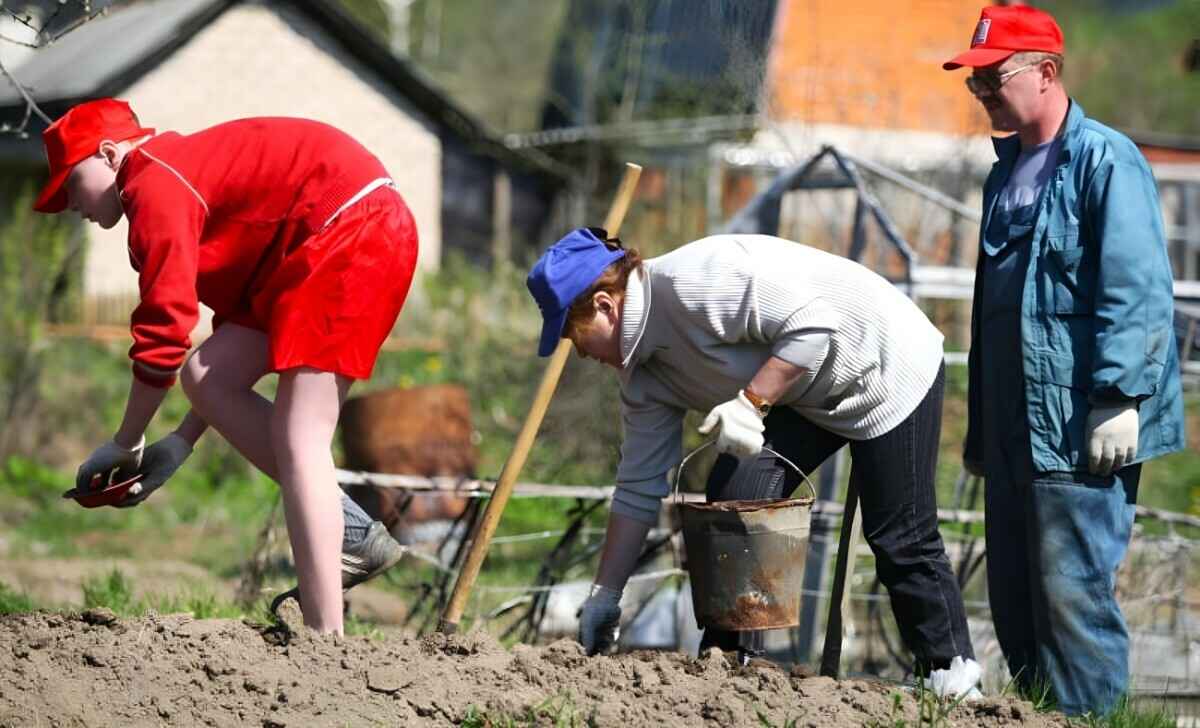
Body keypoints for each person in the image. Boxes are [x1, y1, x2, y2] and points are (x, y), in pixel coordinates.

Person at [527, 227, 978, 687]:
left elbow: (815, 324)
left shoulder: (697, 281)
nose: (578, 352)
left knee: (899, 537)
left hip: (883, 357)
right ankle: (732, 676)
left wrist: (751, 402)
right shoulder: (641, 377)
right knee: (737, 494)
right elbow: (639, 487)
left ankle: (953, 678)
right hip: (806, 393)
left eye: (571, 333)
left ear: (605, 305)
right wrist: (606, 595)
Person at [34, 98, 419, 634]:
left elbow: (164, 335)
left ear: (108, 154)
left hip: (351, 231)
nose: (71, 204)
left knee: (299, 436)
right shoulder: (173, 175)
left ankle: (326, 645)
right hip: (312, 246)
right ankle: (350, 532)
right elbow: (217, 339)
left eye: (71, 185)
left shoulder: (154, 187)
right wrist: (180, 441)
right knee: (206, 375)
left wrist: (126, 443)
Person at [944, 5, 1185, 715]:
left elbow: (1137, 287)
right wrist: (984, 433)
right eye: (974, 82)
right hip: (1017, 431)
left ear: (1046, 73)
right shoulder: (1006, 173)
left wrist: (1120, 396)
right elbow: (997, 314)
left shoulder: (1107, 162)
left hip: (1081, 430)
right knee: (1016, 602)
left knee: (1072, 598)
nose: (983, 92)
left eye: (994, 77)